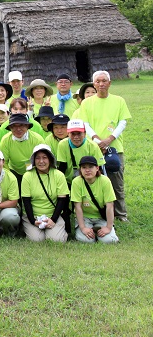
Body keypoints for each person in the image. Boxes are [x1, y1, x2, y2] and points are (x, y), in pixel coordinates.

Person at [78, 70, 131, 222]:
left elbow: (123, 122)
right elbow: (85, 123)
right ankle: (97, 212)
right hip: (93, 147)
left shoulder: (119, 100)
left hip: (114, 147)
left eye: (104, 81)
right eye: (98, 81)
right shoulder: (87, 102)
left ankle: (120, 214)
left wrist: (110, 138)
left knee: (116, 181)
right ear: (94, 84)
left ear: (110, 83)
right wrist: (96, 139)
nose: (101, 84)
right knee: (92, 178)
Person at [21, 144, 69, 243]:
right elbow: (26, 201)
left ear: (50, 159)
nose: (41, 161)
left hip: (53, 214)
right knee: (36, 240)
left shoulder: (59, 175)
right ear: (33, 160)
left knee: (56, 240)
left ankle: (60, 230)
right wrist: (33, 221)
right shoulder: (27, 176)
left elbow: (62, 200)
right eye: (37, 158)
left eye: (44, 158)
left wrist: (53, 219)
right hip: (33, 216)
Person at [71, 156, 118, 244]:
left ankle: (101, 230)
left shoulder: (105, 181)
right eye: (84, 167)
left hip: (101, 216)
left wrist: (108, 227)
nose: (87, 170)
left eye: (90, 167)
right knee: (86, 240)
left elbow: (110, 206)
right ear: (80, 170)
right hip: (85, 217)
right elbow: (77, 207)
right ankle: (91, 231)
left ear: (97, 168)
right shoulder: (76, 182)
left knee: (109, 240)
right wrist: (83, 228)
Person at [0, 113, 45, 186]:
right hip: (13, 171)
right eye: (14, 126)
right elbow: (4, 162)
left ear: (27, 126)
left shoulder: (37, 139)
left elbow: (42, 159)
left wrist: (30, 171)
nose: (18, 129)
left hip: (34, 170)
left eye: (21, 125)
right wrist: (11, 177)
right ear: (10, 128)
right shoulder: (5, 140)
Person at [56, 120, 105, 185]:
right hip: (69, 181)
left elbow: (99, 169)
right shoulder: (62, 144)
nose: (76, 137)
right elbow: (62, 167)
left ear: (84, 133)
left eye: (79, 133)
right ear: (68, 134)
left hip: (90, 181)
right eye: (73, 134)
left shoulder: (93, 146)